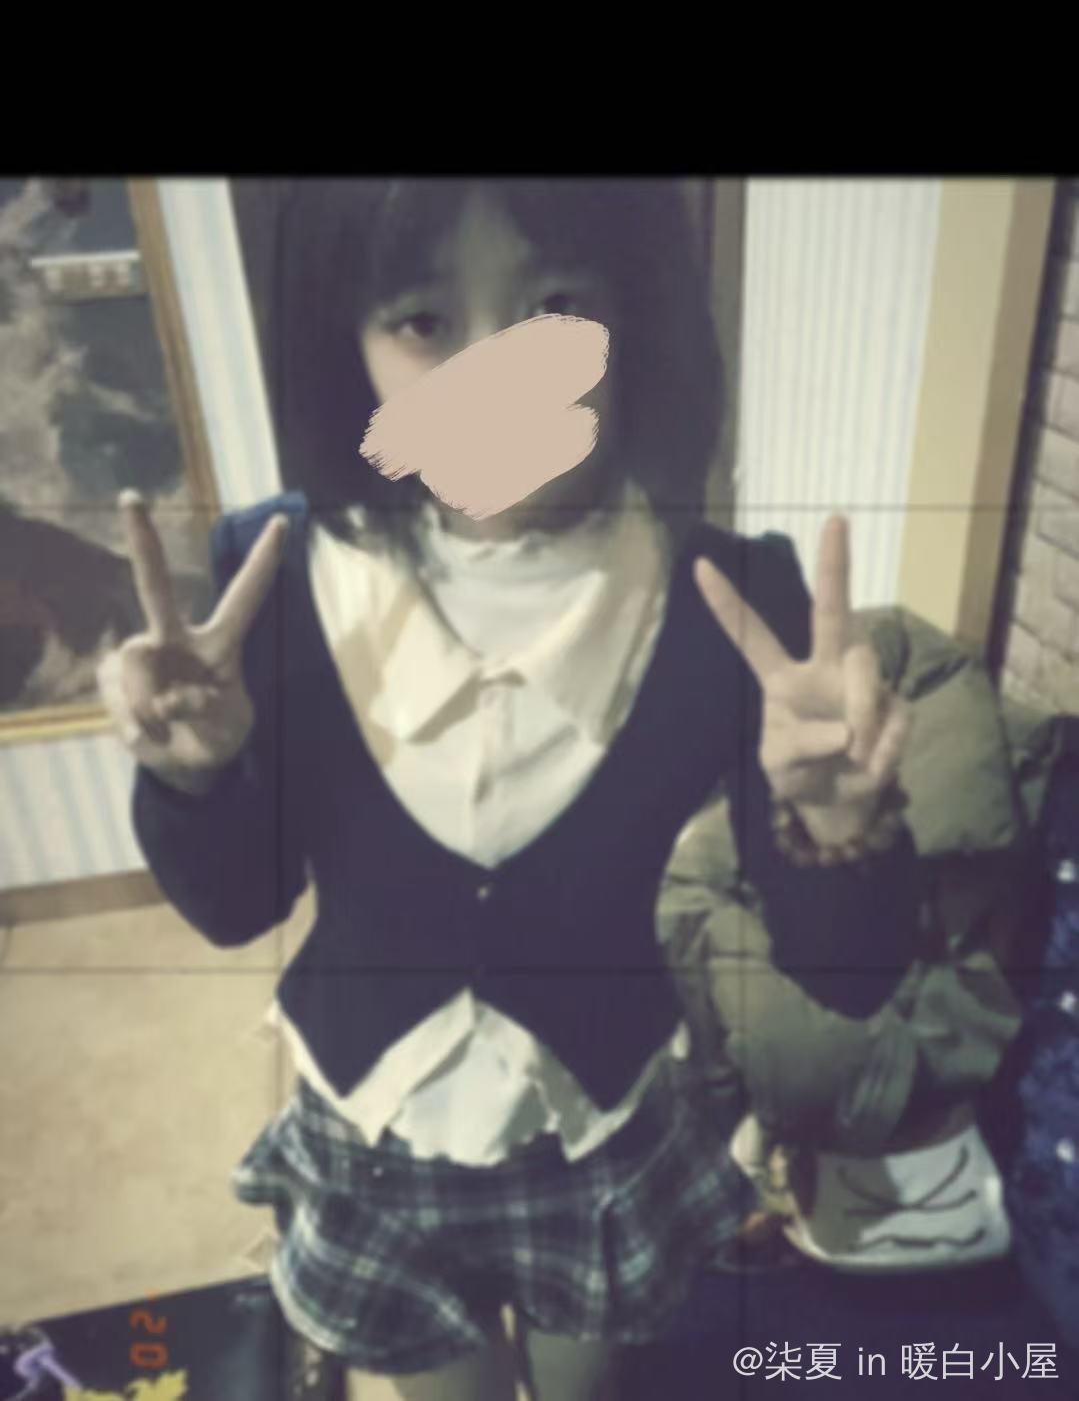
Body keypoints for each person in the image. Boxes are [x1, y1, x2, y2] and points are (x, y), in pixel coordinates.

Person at [97, 178, 919, 1401]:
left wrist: (839, 824)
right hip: (370, 1129)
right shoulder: (272, 576)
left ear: (633, 315)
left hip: (599, 1129)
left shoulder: (729, 603)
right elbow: (235, 906)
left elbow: (848, 975)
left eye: (555, 308)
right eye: (423, 320)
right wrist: (192, 775)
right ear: (346, 341)